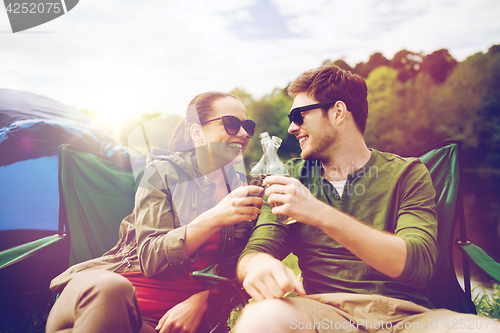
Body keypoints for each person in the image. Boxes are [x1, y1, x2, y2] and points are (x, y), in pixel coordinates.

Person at [234, 65, 498, 333]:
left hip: (409, 318)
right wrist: (258, 264)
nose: (292, 127)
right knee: (261, 318)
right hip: (325, 314)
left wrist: (319, 213)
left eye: (299, 116)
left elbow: (418, 265)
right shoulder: (290, 177)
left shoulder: (407, 173)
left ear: (338, 112)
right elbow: (258, 249)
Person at [46, 91, 263, 333]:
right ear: (197, 132)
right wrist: (215, 217)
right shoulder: (163, 174)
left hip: (160, 323)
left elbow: (248, 267)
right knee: (112, 290)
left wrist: (205, 300)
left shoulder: (249, 192)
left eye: (247, 126)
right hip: (104, 293)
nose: (243, 134)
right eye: (232, 124)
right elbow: (152, 258)